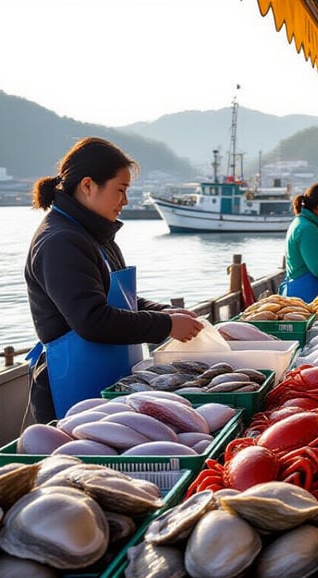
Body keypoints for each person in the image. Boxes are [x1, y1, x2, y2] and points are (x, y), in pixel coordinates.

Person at [24, 137, 204, 423]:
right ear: (87, 186)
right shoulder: (60, 241)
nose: (125, 201)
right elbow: (92, 320)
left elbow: (114, 298)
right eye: (120, 190)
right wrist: (167, 325)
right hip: (71, 390)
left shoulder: (94, 235)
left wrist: (163, 312)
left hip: (109, 380)